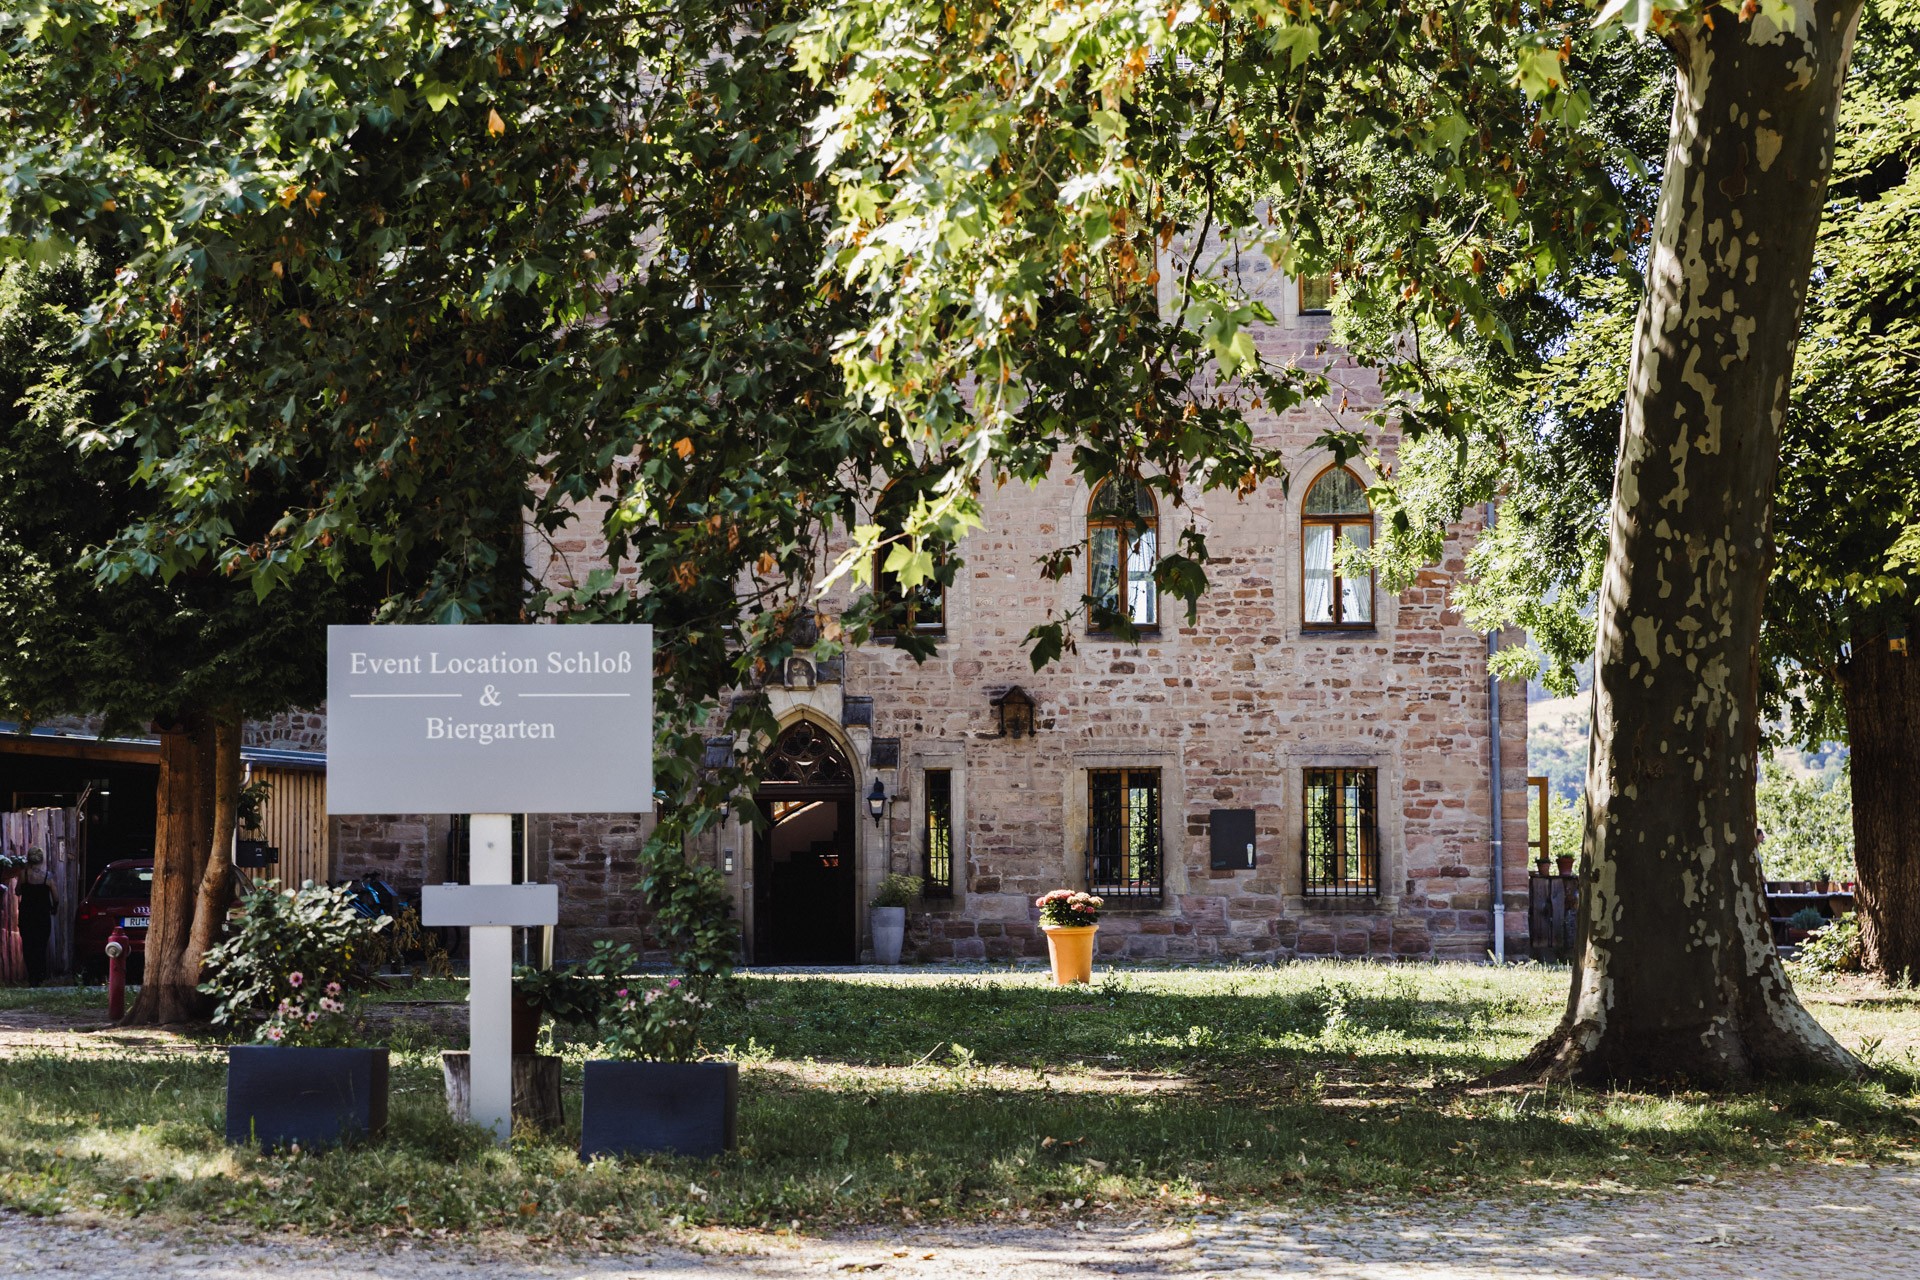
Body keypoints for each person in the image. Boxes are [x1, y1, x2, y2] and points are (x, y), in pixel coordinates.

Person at [17, 848, 56, 986]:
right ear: (42, 860)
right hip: (42, 916)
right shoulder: (48, 876)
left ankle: (32, 975)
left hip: (27, 915)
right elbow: (55, 898)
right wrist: (53, 909)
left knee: (28, 945)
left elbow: (17, 891)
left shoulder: (23, 875)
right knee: (41, 945)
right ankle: (40, 975)